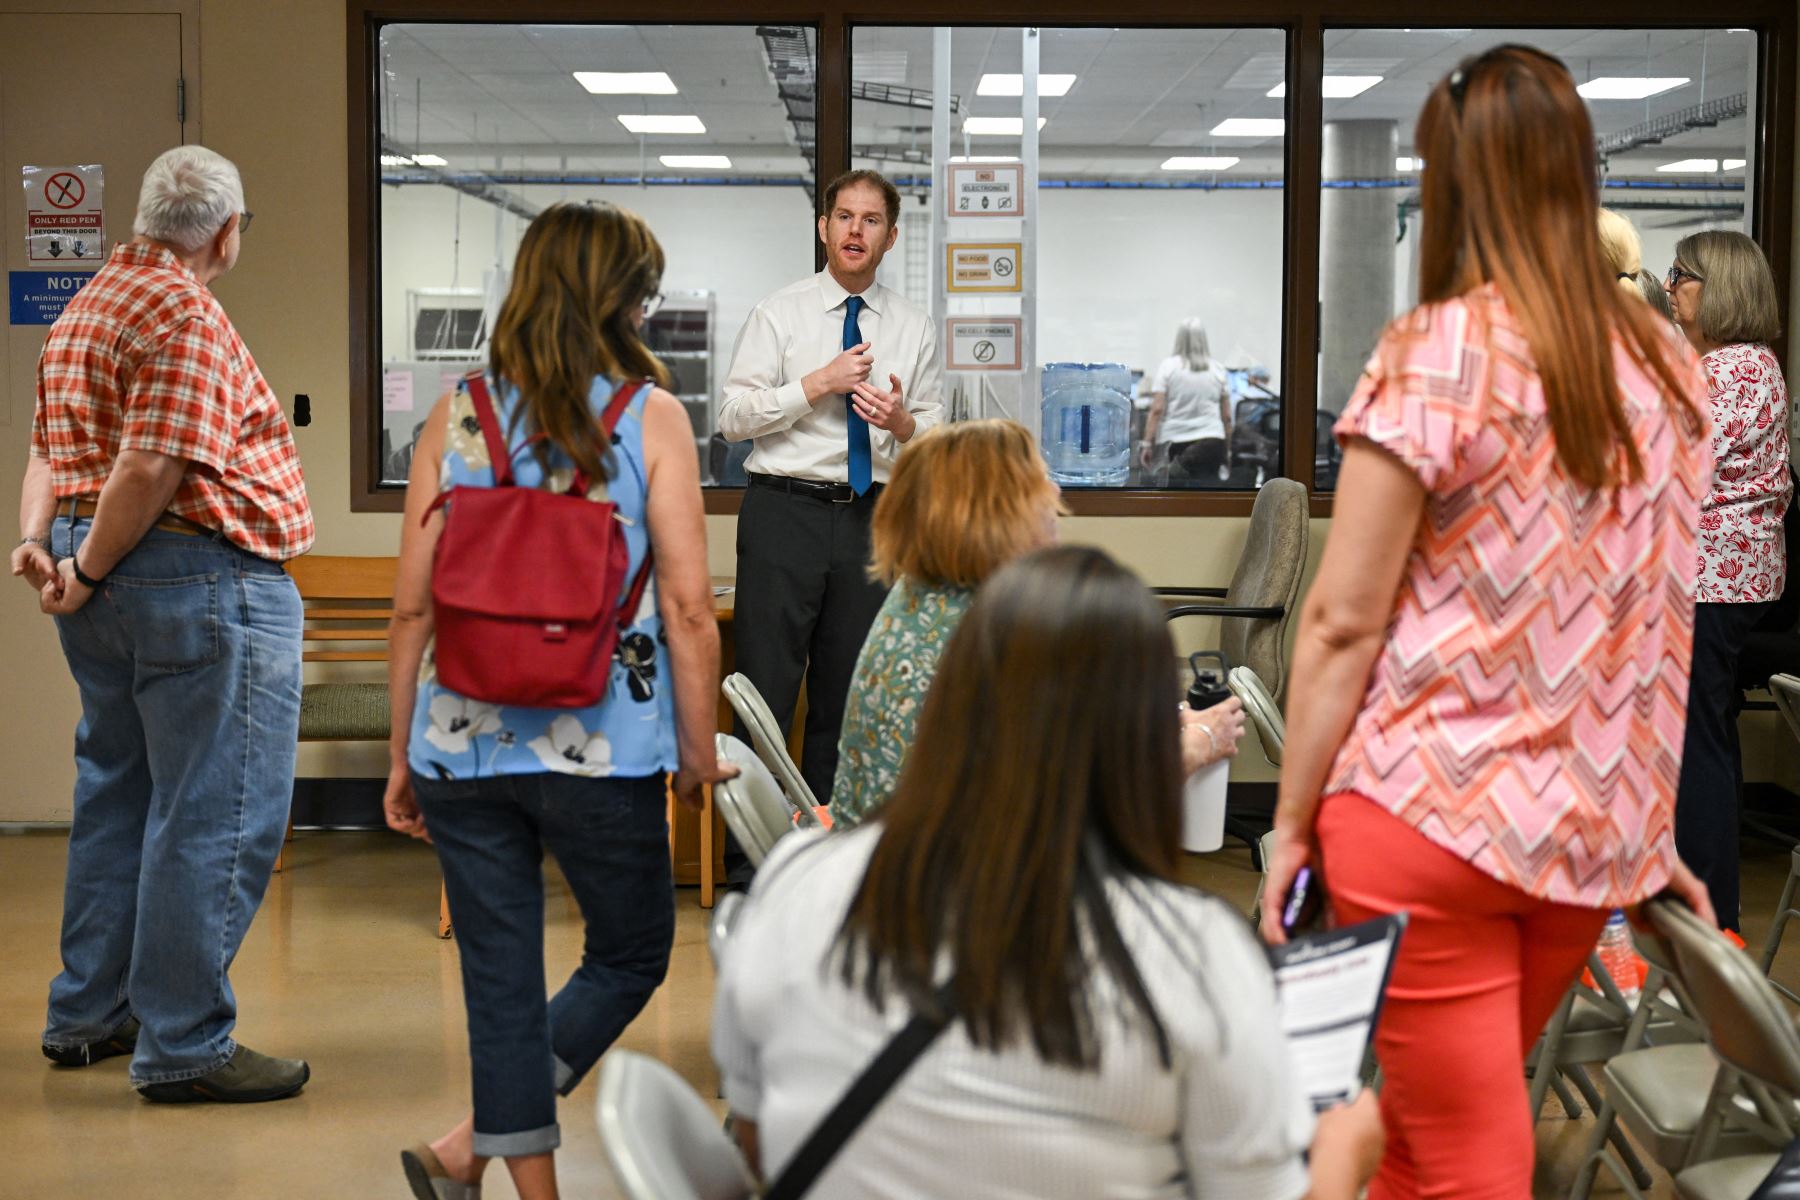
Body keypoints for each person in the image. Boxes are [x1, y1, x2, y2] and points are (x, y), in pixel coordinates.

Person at [1259, 46, 1717, 1200]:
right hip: (1584, 842)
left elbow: (1340, 625)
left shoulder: (1442, 348)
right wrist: (1651, 834)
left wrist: (1294, 824)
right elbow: (1663, 624)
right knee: (1435, 1140)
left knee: (1460, 1157)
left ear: (1452, 184)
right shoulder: (1672, 369)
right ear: (1579, 172)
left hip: (1426, 818)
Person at [715, 546, 1383, 1200]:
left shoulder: (798, 880)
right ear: (1137, 740)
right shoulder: (1191, 952)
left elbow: (751, 1142)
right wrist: (1348, 1146)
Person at [381, 202, 729, 1200]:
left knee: (498, 979)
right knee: (630, 952)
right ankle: (468, 1156)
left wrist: (407, 753)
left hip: (462, 742)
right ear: (622, 301)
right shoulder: (646, 415)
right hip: (603, 748)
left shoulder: (456, 415)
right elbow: (692, 610)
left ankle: (479, 1163)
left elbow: (411, 608)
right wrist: (698, 752)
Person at [14, 146, 314, 1103]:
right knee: (214, 808)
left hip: (99, 569)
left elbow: (47, 448)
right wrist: (90, 568)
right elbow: (149, 468)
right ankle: (184, 1041)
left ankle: (90, 1013)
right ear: (226, 233)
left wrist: (42, 547)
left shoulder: (86, 304)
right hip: (191, 576)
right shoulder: (184, 311)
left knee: (119, 793)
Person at [831, 419, 1246, 828]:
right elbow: (1094, 795)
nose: (1056, 493)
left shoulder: (928, 595)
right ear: (996, 508)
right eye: (1039, 482)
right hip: (938, 880)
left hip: (889, 857)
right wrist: (1199, 743)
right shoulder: (998, 626)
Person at [719, 169, 944, 830]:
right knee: (764, 685)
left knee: (847, 691)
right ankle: (750, 853)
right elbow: (733, 418)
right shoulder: (778, 313)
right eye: (844, 217)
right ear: (823, 228)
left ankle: (828, 841)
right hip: (783, 511)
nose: (855, 231)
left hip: (872, 515)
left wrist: (902, 424)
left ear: (891, 236)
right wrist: (814, 384)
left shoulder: (913, 326)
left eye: (871, 220)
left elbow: (932, 440)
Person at [1665, 230, 1793, 934]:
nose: (1669, 287)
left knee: (1697, 739)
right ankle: (1703, 908)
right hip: (1718, 575)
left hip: (1713, 576)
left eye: (1680, 275)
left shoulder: (1734, 369)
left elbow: (1678, 470)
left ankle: (1713, 916)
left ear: (1722, 287)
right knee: (1701, 733)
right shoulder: (1730, 365)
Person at [1142, 318, 1231, 486]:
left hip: (1179, 443)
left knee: (1180, 496)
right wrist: (1227, 451)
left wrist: (1147, 444)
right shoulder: (1218, 369)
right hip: (1213, 442)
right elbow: (1226, 416)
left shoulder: (1168, 367)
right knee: (1210, 497)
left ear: (1179, 339)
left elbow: (1156, 410)